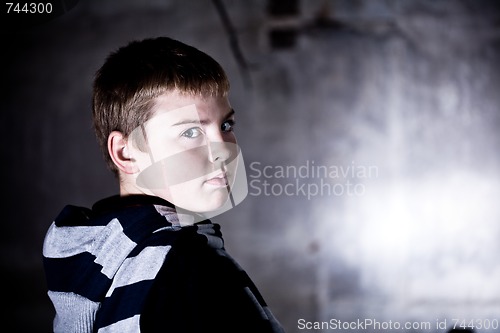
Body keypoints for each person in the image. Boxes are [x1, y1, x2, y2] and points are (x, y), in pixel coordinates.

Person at [42, 36, 285, 333]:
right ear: (125, 151)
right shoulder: (188, 268)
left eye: (225, 126)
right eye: (191, 132)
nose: (222, 148)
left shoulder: (94, 260)